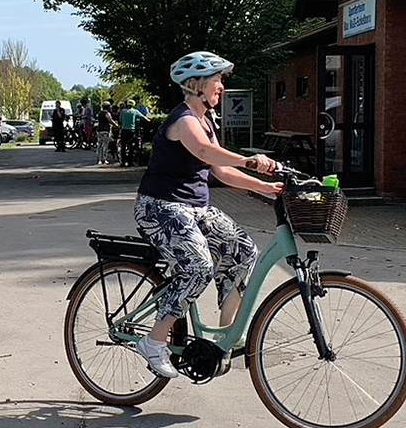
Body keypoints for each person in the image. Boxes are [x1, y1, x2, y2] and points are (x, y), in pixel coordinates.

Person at [134, 51, 282, 378]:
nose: (222, 88)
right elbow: (203, 151)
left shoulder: (205, 122)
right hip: (160, 207)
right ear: (198, 84)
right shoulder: (184, 121)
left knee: (243, 250)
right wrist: (249, 159)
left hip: (195, 209)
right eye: (218, 80)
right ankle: (155, 341)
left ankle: (225, 338)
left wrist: (266, 188)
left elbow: (221, 171)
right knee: (198, 266)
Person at [119, 99, 145, 166]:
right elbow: (144, 117)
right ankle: (130, 162)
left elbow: (120, 120)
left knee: (123, 147)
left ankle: (123, 162)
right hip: (131, 131)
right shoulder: (135, 111)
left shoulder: (123, 111)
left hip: (124, 130)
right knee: (131, 146)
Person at [96, 100, 115, 166]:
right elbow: (110, 120)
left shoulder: (99, 113)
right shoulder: (107, 113)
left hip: (99, 130)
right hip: (106, 130)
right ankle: (104, 159)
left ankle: (99, 158)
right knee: (105, 145)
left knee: (99, 145)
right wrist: (116, 124)